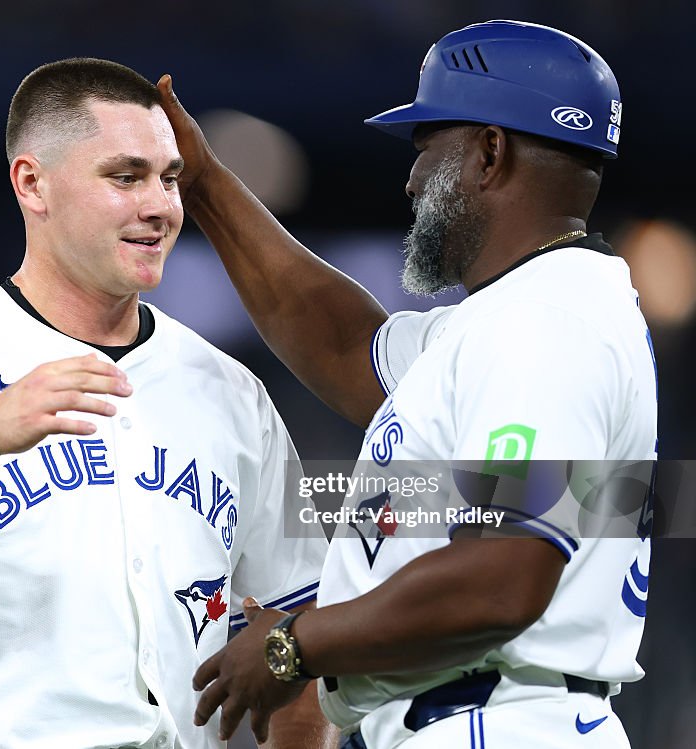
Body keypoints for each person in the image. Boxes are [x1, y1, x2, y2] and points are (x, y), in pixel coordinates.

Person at [0, 58, 335, 749]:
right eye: (125, 176)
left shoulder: (231, 389)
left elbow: (294, 629)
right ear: (32, 183)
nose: (161, 205)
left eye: (169, 178)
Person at [156, 19, 656, 749]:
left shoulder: (545, 321)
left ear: (490, 151)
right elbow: (344, 344)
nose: (412, 179)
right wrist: (203, 185)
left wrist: (292, 643)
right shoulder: (516, 316)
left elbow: (503, 574)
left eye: (428, 148)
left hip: (499, 721)